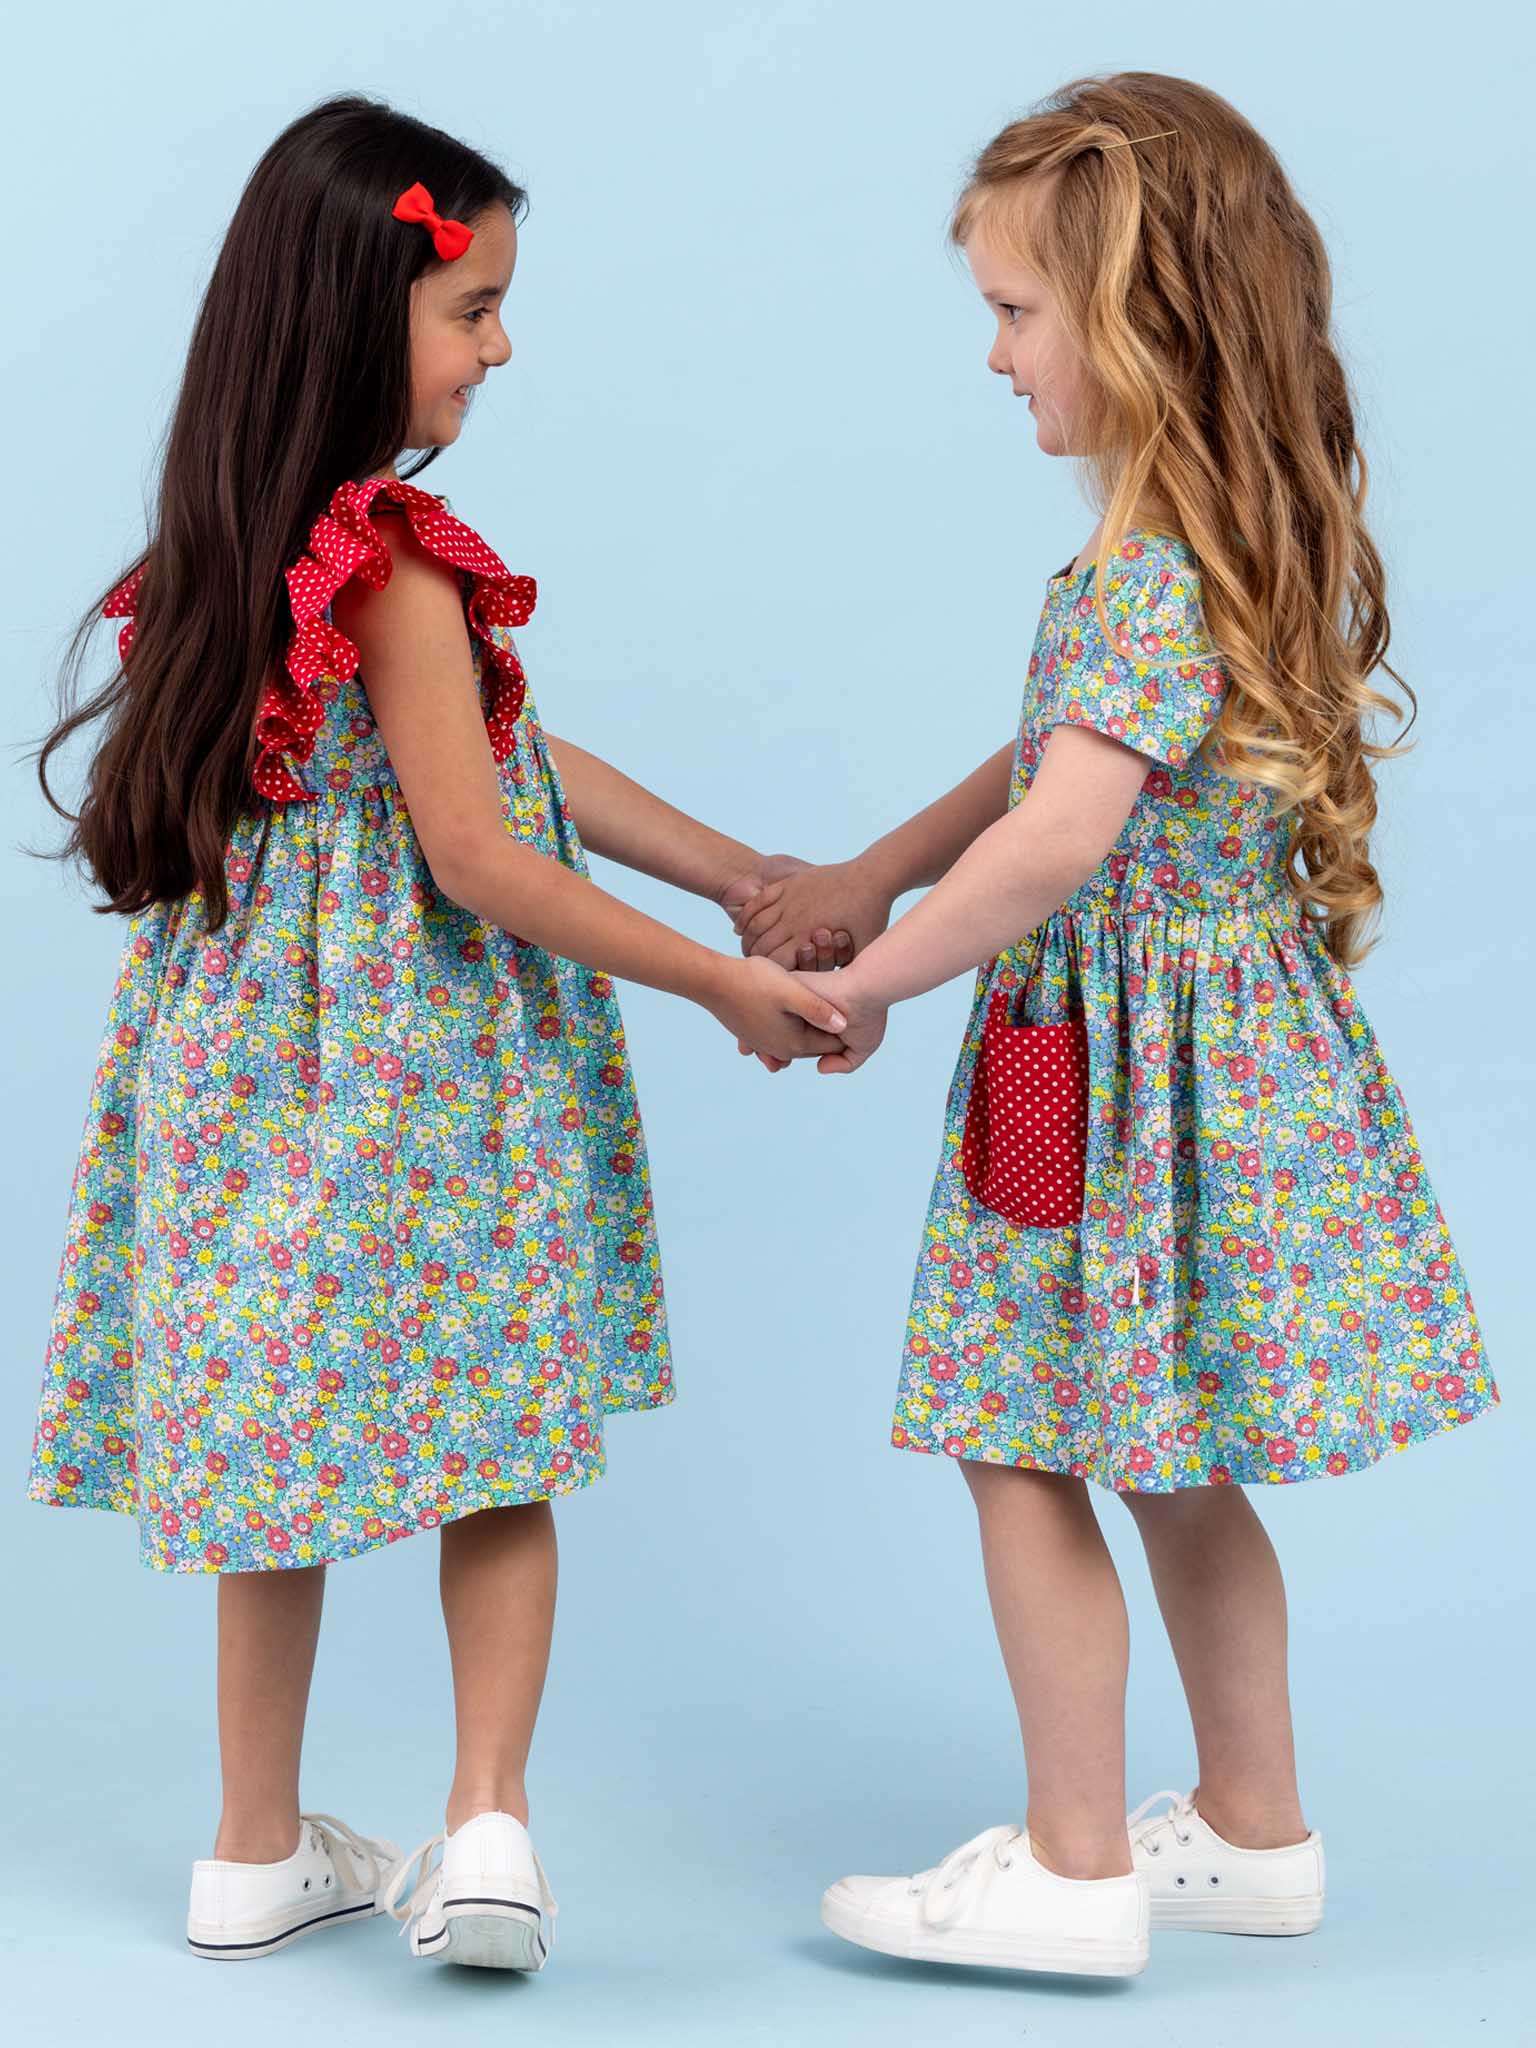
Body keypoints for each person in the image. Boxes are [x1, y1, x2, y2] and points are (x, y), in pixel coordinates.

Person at [27, 93, 847, 1970]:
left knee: (268, 1471)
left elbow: (510, 764)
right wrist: (721, 973)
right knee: (492, 1448)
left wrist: (739, 869)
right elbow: (480, 854)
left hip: (242, 1100)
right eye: (473, 305)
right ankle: (489, 1824)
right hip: (413, 1082)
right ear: (354, 305)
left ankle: (249, 1850)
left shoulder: (218, 553)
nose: (502, 344)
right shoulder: (386, 555)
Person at [734, 71, 1499, 1980]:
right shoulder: (1237, 536)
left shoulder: (1140, 566)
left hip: (1099, 1072)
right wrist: (873, 865)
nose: (992, 356)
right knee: (1174, 1447)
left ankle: (1073, 1865)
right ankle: (1254, 1830)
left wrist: (855, 977)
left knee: (1019, 1437)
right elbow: (1052, 762)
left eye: (1014, 311)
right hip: (1217, 1062)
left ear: (1138, 323)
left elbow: (1065, 833)